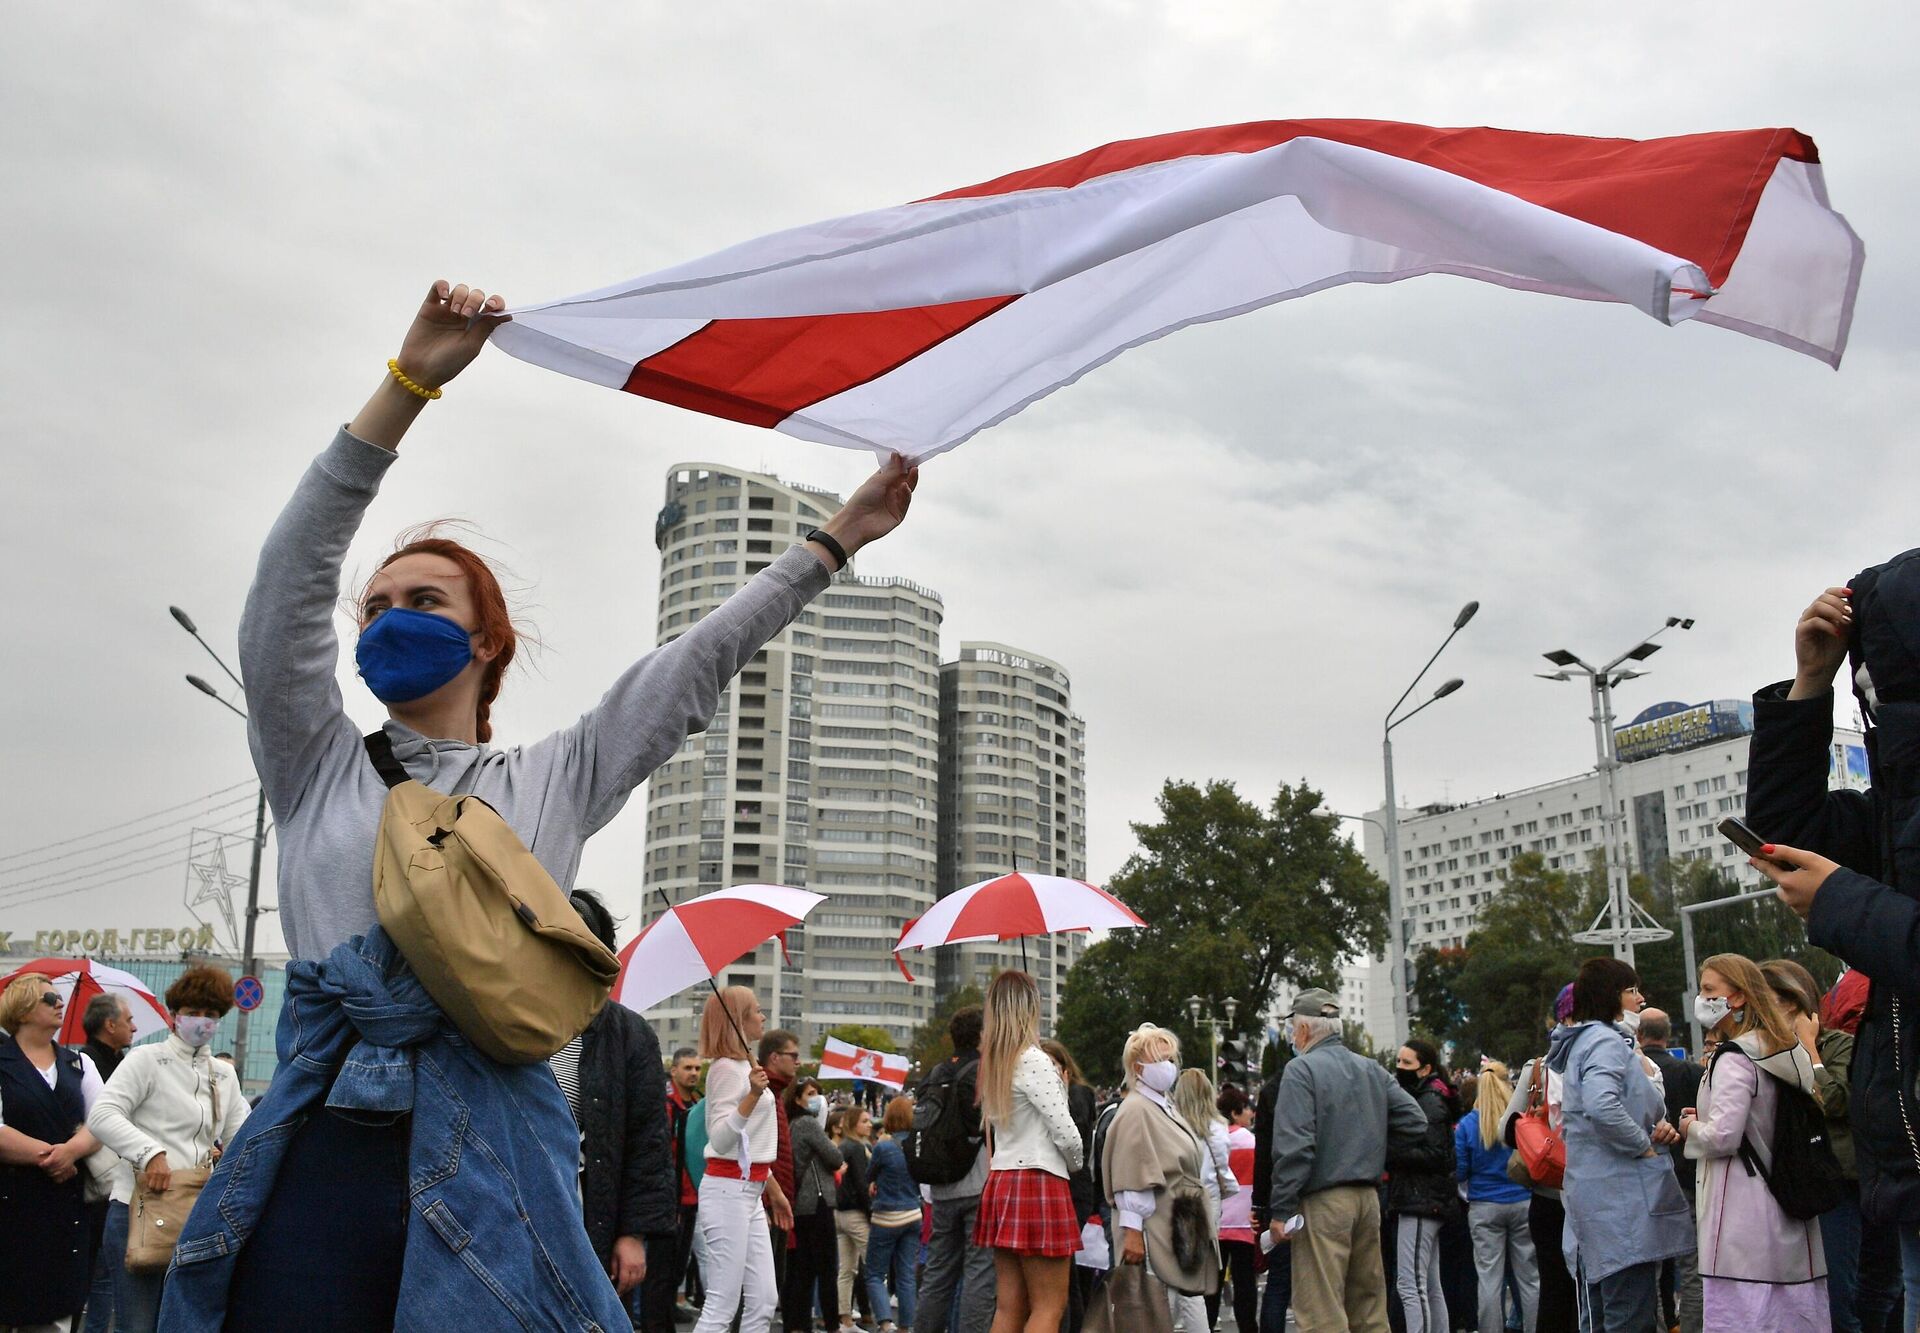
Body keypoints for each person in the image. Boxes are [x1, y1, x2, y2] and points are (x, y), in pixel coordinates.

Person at [158, 279, 916, 1330]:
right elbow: (285, 586)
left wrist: (835, 539)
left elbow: (695, 664)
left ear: (485, 641)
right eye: (373, 608)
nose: (387, 619)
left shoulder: (550, 779)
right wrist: (408, 382)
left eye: (422, 602)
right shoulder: (315, 760)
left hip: (494, 1163)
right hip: (322, 1149)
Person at [1742, 568, 1920, 1313]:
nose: (1870, 689)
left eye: (1882, 673)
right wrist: (1810, 684)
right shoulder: (1897, 807)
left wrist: (1841, 900)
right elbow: (1784, 836)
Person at [88, 964, 248, 1333]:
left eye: (211, 1014)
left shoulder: (223, 1074)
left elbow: (242, 1136)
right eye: (193, 1012)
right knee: (139, 1324)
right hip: (139, 1208)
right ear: (174, 1015)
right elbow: (103, 1114)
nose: (202, 1021)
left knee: (186, 1323)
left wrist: (226, 1162)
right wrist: (149, 1153)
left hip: (196, 1211)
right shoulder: (146, 1059)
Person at [1672, 954, 1828, 1330]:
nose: (1703, 998)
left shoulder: (1734, 1058)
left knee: (1745, 1317)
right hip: (1790, 1207)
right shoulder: (1787, 1050)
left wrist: (1690, 1128)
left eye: (1710, 990)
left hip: (1739, 1224)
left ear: (1738, 998)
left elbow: (1723, 1136)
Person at [1546, 957, 1692, 1332]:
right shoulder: (1604, 1042)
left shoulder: (1588, 1041)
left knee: (1607, 1313)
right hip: (1621, 1205)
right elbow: (1601, 1104)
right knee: (1629, 1315)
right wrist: (1641, 1144)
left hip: (1604, 1200)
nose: (1640, 999)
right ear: (1612, 995)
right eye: (1632, 990)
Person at [1268, 988, 1425, 1333]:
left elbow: (1295, 1149)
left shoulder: (1301, 1070)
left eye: (1294, 1028)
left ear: (1304, 1030)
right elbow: (1416, 1121)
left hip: (1323, 1201)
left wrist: (1281, 1210)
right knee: (1369, 1308)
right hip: (1367, 1199)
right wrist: (1370, 1144)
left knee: (1322, 1311)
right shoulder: (1370, 1068)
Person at [550, 891, 675, 1321]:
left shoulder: (629, 1035)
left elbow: (649, 1143)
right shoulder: (505, 1020)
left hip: (593, 1218)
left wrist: (633, 1234)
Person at [977, 971, 1083, 1333]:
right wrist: (1077, 1164)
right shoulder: (1035, 1061)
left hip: (1003, 1180)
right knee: (1049, 1307)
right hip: (1039, 1179)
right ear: (1030, 1008)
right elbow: (1066, 1134)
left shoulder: (994, 1065)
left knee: (1009, 1307)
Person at [1764, 959, 1865, 1333]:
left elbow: (1834, 1101)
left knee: (1839, 1296)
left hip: (1832, 1186)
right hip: (1779, 1186)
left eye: (1763, 997)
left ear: (1790, 1002)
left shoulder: (1838, 1045)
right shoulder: (1757, 1052)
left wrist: (1809, 1048)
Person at [0, 972, 104, 1333]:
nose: (59, 1003)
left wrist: (71, 1152)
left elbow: (103, 1119)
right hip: (10, 1202)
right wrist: (54, 1157)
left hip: (66, 1207)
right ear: (23, 1006)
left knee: (52, 1312)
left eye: (60, 997)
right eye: (49, 998)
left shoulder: (79, 1064)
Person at [692, 987, 794, 1333]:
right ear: (738, 1020)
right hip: (727, 1190)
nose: (762, 1016)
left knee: (764, 1300)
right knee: (722, 1304)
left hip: (747, 1189)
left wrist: (774, 1191)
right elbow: (720, 1138)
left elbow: (753, 1147)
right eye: (756, 1010)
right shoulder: (725, 1070)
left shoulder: (742, 1066)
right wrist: (752, 1095)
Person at [919, 1005, 993, 1333]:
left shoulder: (936, 1073)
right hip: (978, 1182)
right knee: (980, 1274)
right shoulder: (983, 1071)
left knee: (937, 1274)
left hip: (941, 1184)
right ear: (981, 1035)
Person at [1633, 1006, 1704, 1333]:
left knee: (1652, 1266)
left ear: (1639, 1034)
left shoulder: (1634, 1072)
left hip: (1649, 1178)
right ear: (1668, 1034)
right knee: (1691, 1265)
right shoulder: (1689, 1072)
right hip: (1687, 1177)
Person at [1455, 1061, 1538, 1333]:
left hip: (1484, 1206)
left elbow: (1460, 1170)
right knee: (1529, 1278)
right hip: (1521, 1200)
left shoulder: (1468, 1124)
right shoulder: (1519, 1119)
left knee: (1489, 1279)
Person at [1386, 1039, 1458, 1333]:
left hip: (1419, 1198)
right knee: (1427, 1283)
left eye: (1407, 1063)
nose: (1400, 1068)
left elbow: (1435, 1154)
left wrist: (1390, 1151)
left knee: (1410, 1283)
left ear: (1425, 1068)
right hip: (1425, 1199)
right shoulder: (1431, 1097)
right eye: (1399, 1061)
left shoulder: (1427, 1100)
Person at [643, 1045, 707, 1333]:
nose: (694, 1073)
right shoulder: (665, 1107)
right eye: (688, 1068)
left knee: (677, 1271)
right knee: (660, 1274)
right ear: (674, 1071)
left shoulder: (696, 1105)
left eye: (697, 1068)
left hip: (692, 1199)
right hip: (668, 1201)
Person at [1169, 1065, 1236, 1332]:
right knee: (1195, 1280)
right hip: (1207, 1203)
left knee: (1171, 1274)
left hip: (1174, 1201)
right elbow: (1221, 1168)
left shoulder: (1170, 1124)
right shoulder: (1218, 1129)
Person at [1039, 1038, 1098, 1333]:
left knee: (1064, 1270)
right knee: (1063, 1272)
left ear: (1064, 1068)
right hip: (1053, 1186)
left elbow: (1074, 1138)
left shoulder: (1079, 1094)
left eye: (1050, 1065)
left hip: (1073, 1188)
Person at [786, 1077, 845, 1333]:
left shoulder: (790, 1124)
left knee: (802, 1269)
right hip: (817, 1201)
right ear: (798, 1098)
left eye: (818, 1093)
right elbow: (835, 1158)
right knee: (827, 1268)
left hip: (800, 1205)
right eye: (810, 1093)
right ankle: (832, 1323)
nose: (816, 1098)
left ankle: (798, 1324)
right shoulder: (809, 1124)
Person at [868, 1095, 924, 1333]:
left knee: (874, 1273)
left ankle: (884, 1322)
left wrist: (874, 1183)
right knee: (906, 1275)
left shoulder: (883, 1146)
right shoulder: (918, 1143)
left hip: (887, 1215)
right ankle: (906, 1326)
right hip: (913, 1213)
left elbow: (869, 1173)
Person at [762, 1028, 805, 1299]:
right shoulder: (762, 1092)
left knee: (769, 1290)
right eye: (793, 1056)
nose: (797, 1062)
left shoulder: (775, 1093)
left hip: (777, 1202)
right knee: (758, 1293)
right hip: (766, 1204)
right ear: (775, 1058)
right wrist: (766, 1200)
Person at [1216, 1084, 1260, 1333]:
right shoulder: (1252, 1142)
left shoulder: (1214, 1140)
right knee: (1245, 1284)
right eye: (1246, 1109)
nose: (1251, 1113)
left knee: (1213, 1283)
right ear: (1235, 1113)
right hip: (1245, 1221)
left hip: (1218, 1221)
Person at [832, 1105, 875, 1331]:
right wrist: (871, 1214)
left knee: (846, 1270)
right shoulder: (857, 1148)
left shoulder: (843, 1146)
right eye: (864, 1121)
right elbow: (861, 1185)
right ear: (853, 1124)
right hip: (856, 1214)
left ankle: (845, 1320)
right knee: (874, 1267)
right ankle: (884, 1320)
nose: (869, 1124)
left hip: (839, 1214)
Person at [79, 994, 134, 1084]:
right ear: (110, 1025)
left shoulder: (121, 1060)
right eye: (128, 1021)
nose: (134, 1028)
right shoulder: (86, 1065)